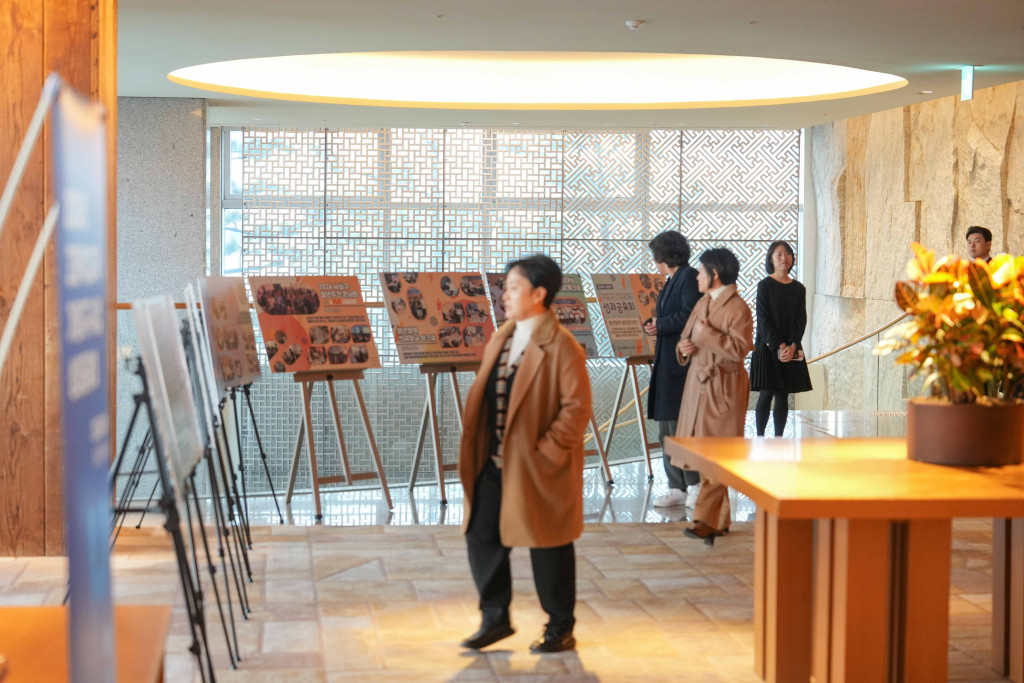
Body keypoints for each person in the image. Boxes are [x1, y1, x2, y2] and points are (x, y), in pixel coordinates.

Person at [458, 254, 592, 654]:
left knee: (548, 544)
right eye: (506, 286)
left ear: (538, 294)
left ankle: (560, 627)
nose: (505, 294)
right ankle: (495, 618)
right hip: (496, 462)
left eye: (514, 287)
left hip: (537, 467)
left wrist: (547, 451)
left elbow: (577, 409)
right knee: (481, 534)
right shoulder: (504, 334)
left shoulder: (562, 345)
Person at [675, 248, 754, 545]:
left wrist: (706, 336)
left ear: (715, 274)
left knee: (719, 453)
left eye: (701, 271)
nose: (697, 276)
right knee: (708, 451)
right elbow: (687, 337)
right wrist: (684, 348)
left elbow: (740, 349)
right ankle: (720, 520)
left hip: (724, 385)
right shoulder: (703, 302)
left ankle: (705, 521)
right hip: (698, 385)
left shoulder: (739, 308)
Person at [643, 231, 702, 508]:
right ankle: (676, 486)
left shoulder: (689, 277)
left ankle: (694, 484)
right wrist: (654, 324)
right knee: (666, 428)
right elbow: (669, 315)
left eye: (656, 256)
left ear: (665, 255)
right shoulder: (671, 280)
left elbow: (691, 314)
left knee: (681, 428)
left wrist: (662, 325)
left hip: (682, 362)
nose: (655, 261)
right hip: (667, 360)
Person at [750, 241, 813, 437]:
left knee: (783, 394)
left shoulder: (799, 288)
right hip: (768, 347)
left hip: (791, 348)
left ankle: (779, 438)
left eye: (787, 254)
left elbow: (801, 320)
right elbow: (763, 319)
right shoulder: (765, 285)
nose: (784, 258)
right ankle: (760, 437)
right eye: (778, 254)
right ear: (771, 259)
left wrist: (793, 345)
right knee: (766, 393)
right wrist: (780, 345)